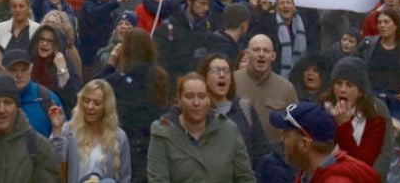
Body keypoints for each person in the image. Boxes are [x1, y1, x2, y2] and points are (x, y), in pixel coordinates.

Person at [147, 72, 254, 182]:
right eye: (189, 96)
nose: (196, 103)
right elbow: (158, 180)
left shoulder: (228, 129)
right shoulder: (162, 133)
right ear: (179, 99)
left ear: (208, 99)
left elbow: (245, 177)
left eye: (202, 96)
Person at [100, 28, 169, 182]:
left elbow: (93, 89)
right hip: (153, 146)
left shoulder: (117, 81)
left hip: (124, 147)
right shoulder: (160, 77)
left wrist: (110, 63)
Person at [269, 101, 379, 182]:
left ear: (305, 144)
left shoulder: (336, 181)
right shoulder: (308, 175)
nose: (281, 139)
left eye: (286, 135)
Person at [322, 56, 396, 177]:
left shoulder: (374, 113)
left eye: (349, 85)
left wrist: (344, 126)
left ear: (360, 92)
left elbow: (362, 162)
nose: (342, 90)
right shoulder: (324, 108)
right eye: (338, 83)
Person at [48, 79, 132, 183]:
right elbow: (52, 163)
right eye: (86, 101)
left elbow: (125, 177)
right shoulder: (68, 130)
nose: (90, 107)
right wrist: (57, 130)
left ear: (106, 106)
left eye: (97, 103)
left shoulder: (119, 137)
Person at [356, 5, 400, 123]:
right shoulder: (368, 44)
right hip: (372, 99)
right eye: (379, 22)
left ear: (395, 25)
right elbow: (352, 65)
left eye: (386, 22)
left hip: (398, 101)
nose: (382, 25)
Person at [0, 48, 63, 137]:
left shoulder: (47, 98)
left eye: (23, 70)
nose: (19, 75)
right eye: (13, 70)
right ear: (3, 70)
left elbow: (64, 137)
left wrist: (57, 131)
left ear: (31, 68)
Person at [198, 53, 268, 166]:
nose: (222, 75)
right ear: (205, 78)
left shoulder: (245, 109)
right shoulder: (196, 111)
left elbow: (261, 152)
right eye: (216, 71)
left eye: (226, 71)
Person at [233, 34, 297, 146]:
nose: (261, 54)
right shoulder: (231, 82)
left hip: (272, 156)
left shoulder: (286, 88)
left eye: (266, 51)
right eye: (256, 50)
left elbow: (295, 129)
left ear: (273, 56)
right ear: (247, 54)